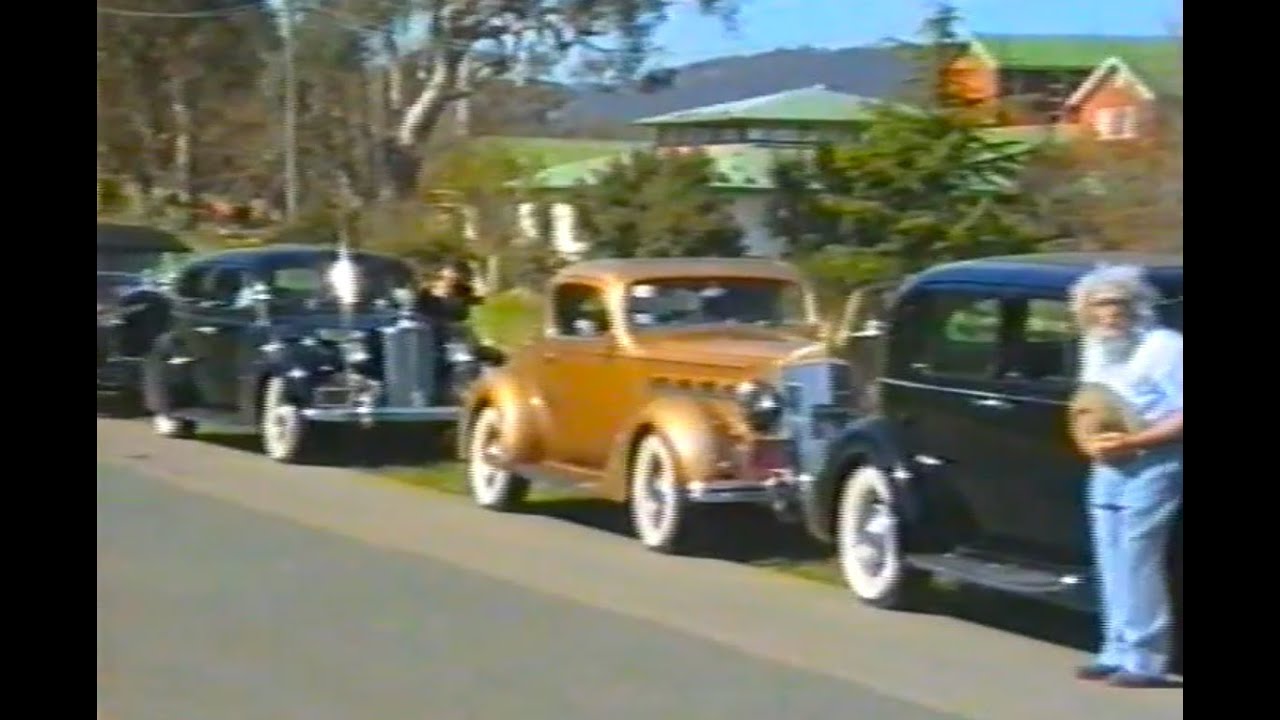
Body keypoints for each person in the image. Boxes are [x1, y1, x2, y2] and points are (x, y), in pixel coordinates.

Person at [1069, 264, 1183, 688]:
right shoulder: (1095, 348)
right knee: (1109, 554)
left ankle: (1146, 659)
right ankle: (1114, 649)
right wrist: (1089, 441)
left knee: (1138, 557)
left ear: (1137, 306)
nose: (1108, 315)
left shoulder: (1165, 347)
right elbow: (1089, 405)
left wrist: (1140, 442)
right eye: (1098, 306)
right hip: (1108, 464)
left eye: (1118, 305)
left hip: (1157, 459)